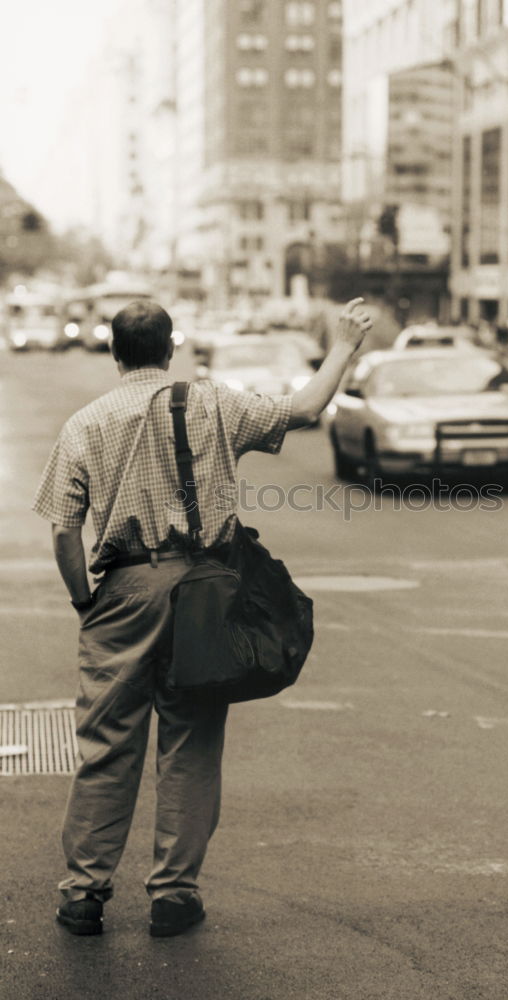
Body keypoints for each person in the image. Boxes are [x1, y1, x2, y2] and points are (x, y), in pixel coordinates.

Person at [33, 296, 372, 938]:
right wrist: (344, 346)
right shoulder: (213, 402)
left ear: (114, 352)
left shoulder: (85, 422)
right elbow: (303, 408)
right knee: (190, 742)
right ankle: (173, 895)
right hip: (204, 590)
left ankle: (83, 894)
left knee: (107, 745)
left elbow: (62, 530)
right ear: (170, 349)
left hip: (123, 591)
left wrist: (86, 601)